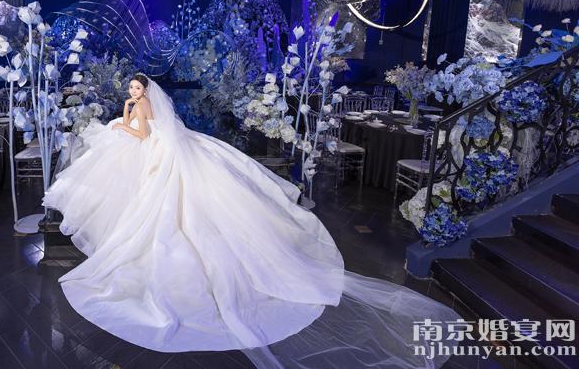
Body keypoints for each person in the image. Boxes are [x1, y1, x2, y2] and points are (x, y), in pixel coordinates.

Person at [43, 73, 457, 368]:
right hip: (156, 150)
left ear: (146, 91)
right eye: (131, 89)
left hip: (158, 152)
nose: (133, 93)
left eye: (137, 89)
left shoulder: (144, 105)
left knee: (171, 204)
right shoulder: (140, 103)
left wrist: (124, 118)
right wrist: (126, 114)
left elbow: (142, 134)